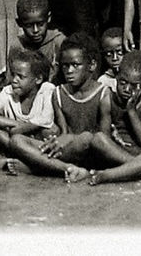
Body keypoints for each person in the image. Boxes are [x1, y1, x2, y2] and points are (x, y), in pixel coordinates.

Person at [0, 50, 87, 182]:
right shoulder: (8, 91)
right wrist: (16, 125)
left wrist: (17, 131)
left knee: (50, 131)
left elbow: (46, 120)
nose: (14, 80)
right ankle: (33, 163)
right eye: (13, 75)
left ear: (38, 79)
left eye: (21, 76)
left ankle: (59, 167)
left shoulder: (47, 89)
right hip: (18, 143)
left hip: (37, 144)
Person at [85, 51, 141, 184]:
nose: (127, 89)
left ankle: (110, 175)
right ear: (116, 78)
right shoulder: (108, 101)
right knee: (97, 139)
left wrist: (132, 112)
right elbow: (105, 137)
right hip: (118, 154)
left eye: (134, 86)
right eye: (122, 82)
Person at [39, 34, 113, 174]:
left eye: (75, 65)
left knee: (86, 138)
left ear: (91, 65)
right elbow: (64, 132)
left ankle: (40, 165)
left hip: (94, 153)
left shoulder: (104, 93)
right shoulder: (58, 93)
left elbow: (104, 139)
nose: (69, 71)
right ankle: (65, 168)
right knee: (18, 141)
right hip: (69, 153)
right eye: (65, 66)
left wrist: (73, 138)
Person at [11, 0, 65, 73]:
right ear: (19, 23)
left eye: (40, 24)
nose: (35, 30)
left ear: (49, 18)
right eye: (29, 25)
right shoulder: (18, 46)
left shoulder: (58, 42)